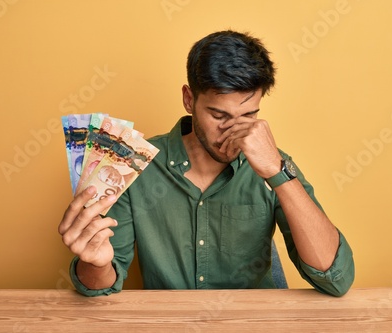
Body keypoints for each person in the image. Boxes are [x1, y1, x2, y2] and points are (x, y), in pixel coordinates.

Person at [58, 30, 355, 297]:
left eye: (249, 115)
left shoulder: (275, 165)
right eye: (219, 116)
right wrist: (95, 262)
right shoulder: (134, 164)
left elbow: (335, 279)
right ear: (189, 100)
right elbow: (100, 287)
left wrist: (278, 173)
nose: (235, 132)